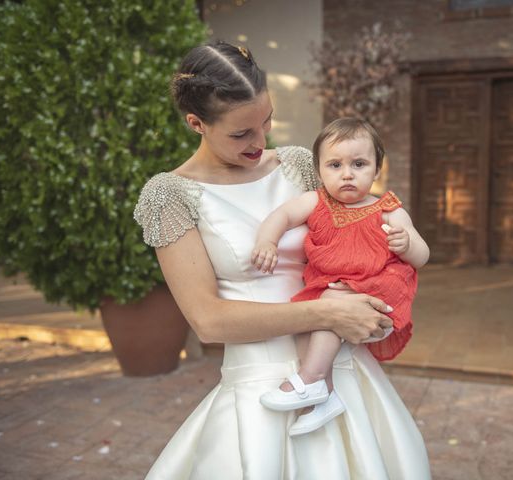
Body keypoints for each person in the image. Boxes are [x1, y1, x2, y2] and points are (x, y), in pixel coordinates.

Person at [134, 40, 431, 479]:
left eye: (266, 120)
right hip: (260, 381)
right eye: (241, 133)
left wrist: (382, 294)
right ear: (196, 123)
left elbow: (360, 241)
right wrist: (329, 311)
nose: (261, 141)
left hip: (342, 365)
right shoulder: (170, 195)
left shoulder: (298, 166)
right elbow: (207, 321)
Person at [253, 118, 429, 437]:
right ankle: (325, 396)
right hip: (330, 287)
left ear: (376, 170)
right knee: (308, 321)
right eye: (335, 165)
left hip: (377, 287)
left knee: (330, 309)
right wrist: (267, 241)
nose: (347, 173)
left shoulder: (388, 210)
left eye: (359, 164)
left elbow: (423, 255)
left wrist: (408, 245)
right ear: (320, 171)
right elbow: (281, 216)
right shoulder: (315, 202)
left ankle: (309, 379)